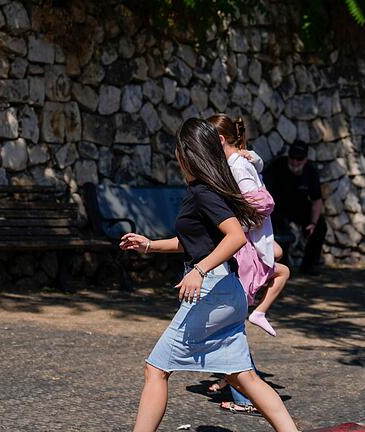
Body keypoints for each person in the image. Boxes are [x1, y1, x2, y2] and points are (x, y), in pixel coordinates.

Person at [119, 118, 298, 432]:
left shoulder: (204, 192)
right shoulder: (204, 190)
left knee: (156, 369)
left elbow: (235, 237)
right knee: (243, 376)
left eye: (178, 147)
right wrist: (148, 245)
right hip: (227, 292)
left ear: (187, 152)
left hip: (213, 292)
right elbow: (193, 242)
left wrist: (200, 270)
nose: (175, 153)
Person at [207, 113, 291, 416]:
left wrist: (235, 223)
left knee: (230, 326)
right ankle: (235, 386)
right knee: (230, 324)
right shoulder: (236, 163)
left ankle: (243, 396)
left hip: (243, 251)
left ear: (218, 141)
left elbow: (261, 203)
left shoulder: (237, 166)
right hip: (245, 247)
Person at [263, 141, 326, 275]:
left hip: (301, 208)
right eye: (292, 158)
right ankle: (282, 265)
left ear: (305, 160)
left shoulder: (311, 172)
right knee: (281, 228)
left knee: (320, 225)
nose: (295, 162)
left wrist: (313, 223)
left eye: (299, 159)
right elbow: (263, 192)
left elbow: (317, 201)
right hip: (277, 208)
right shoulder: (277, 167)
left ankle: (309, 265)